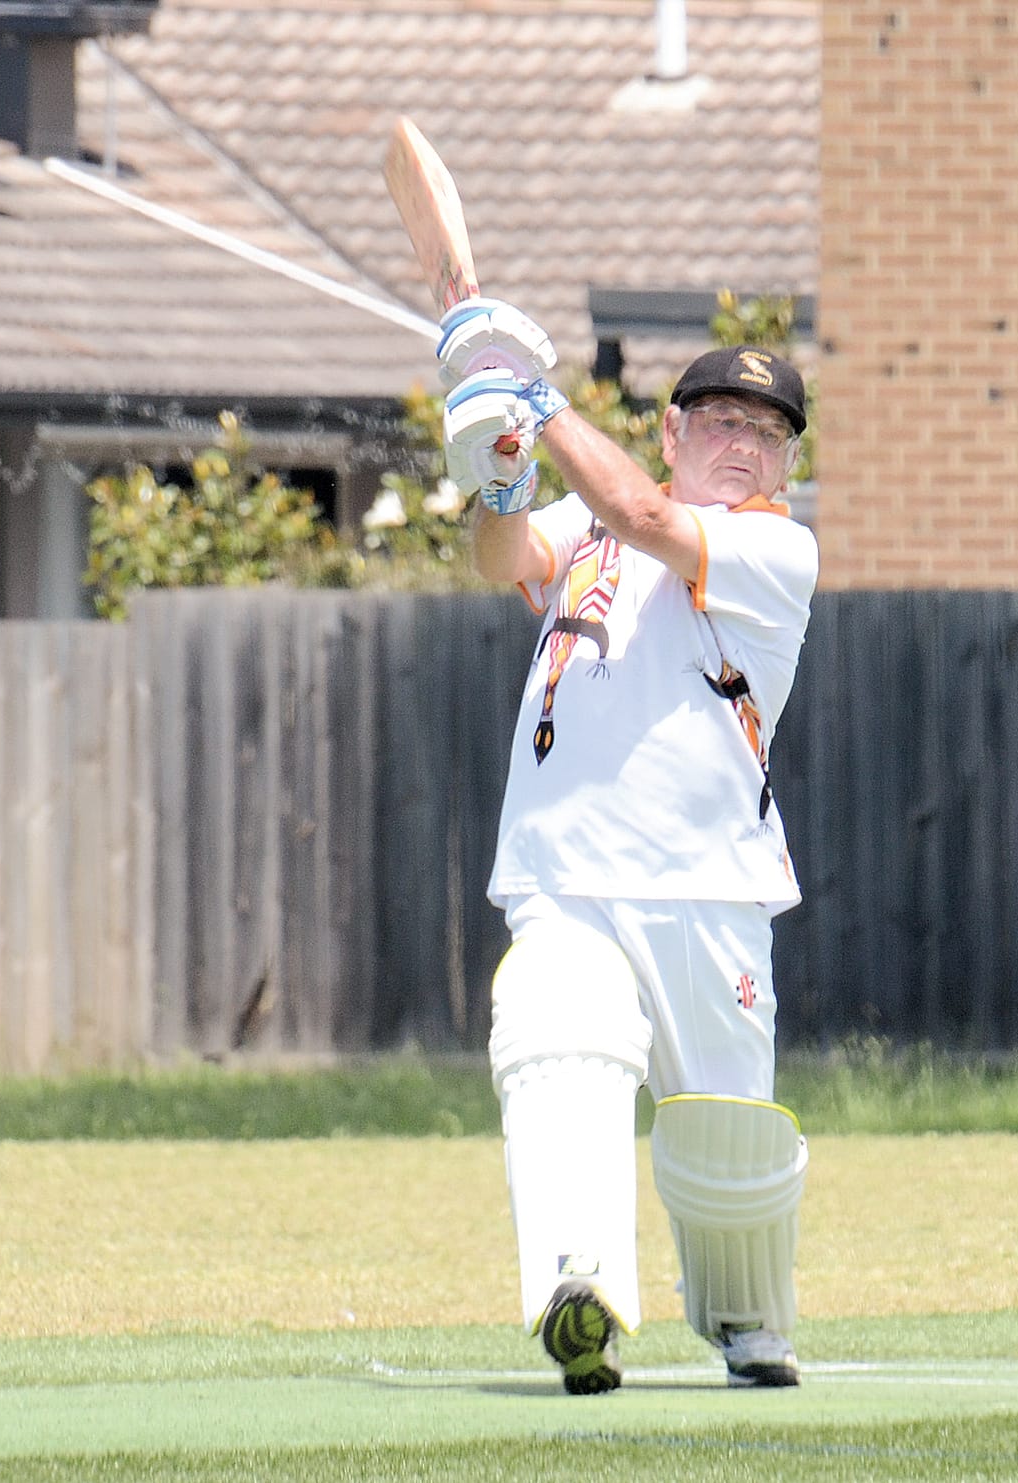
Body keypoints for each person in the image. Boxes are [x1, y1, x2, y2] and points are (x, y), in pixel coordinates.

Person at [433, 297, 819, 1394]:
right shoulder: (584, 526)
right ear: (673, 428)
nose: (741, 445)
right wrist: (500, 471)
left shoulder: (771, 547)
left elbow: (646, 515)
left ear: (784, 460)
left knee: (723, 1142)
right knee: (553, 1046)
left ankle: (747, 1319)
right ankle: (578, 1285)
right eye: (720, 422)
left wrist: (536, 393)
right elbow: (497, 554)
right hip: (564, 874)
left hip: (708, 884)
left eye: (766, 431)